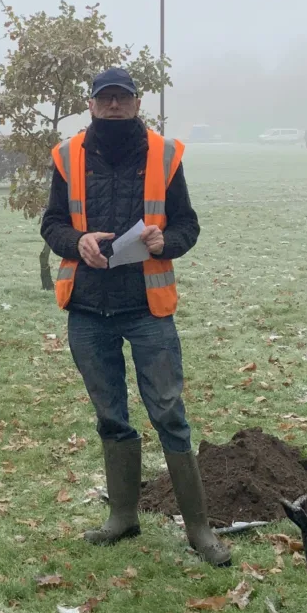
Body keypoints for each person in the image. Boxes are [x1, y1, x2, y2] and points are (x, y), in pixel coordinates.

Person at [40, 67, 230, 567]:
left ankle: (199, 529)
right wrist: (75, 242)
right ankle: (123, 517)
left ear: (138, 101)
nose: (115, 105)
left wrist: (168, 241)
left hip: (147, 309)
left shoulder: (165, 156)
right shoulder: (66, 156)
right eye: (106, 98)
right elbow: (52, 223)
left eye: (123, 97)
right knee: (110, 415)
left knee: (169, 412)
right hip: (87, 308)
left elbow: (187, 223)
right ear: (92, 104)